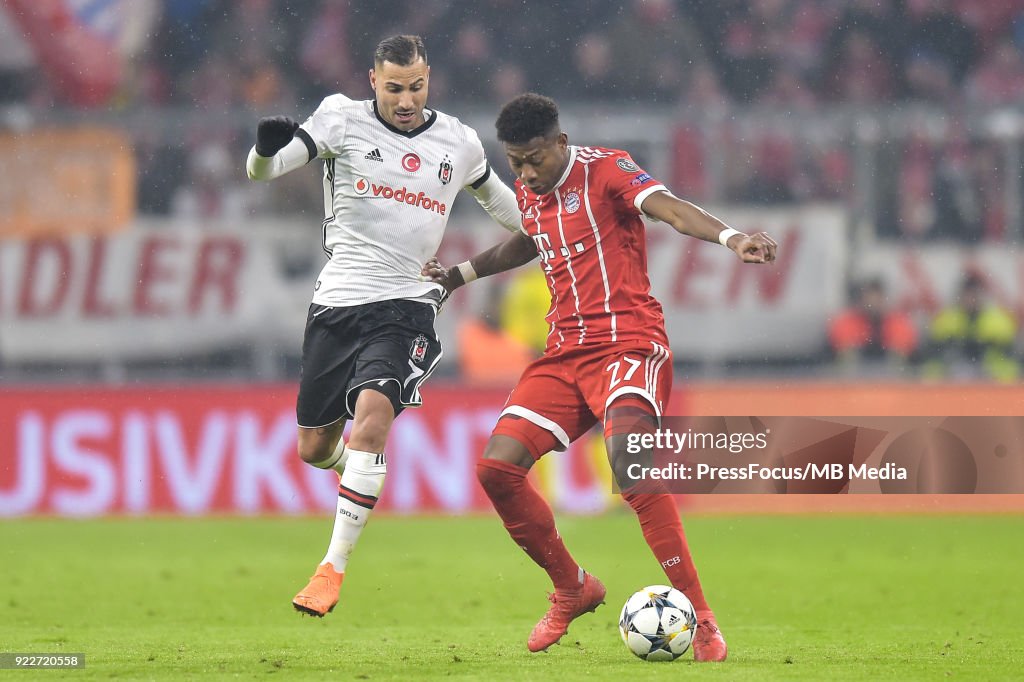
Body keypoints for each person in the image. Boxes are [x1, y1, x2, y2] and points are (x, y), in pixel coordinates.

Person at [423, 93, 777, 660]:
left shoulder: (606, 170)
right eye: (515, 162)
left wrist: (733, 238)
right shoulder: (534, 195)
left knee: (632, 467)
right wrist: (458, 275)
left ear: (560, 143)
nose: (525, 172)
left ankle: (702, 617)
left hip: (629, 344)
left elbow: (672, 208)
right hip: (565, 355)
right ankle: (572, 587)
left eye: (534, 158)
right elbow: (527, 241)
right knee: (496, 469)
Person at [245, 35, 521, 618]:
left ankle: (330, 569)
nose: (405, 99)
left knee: (373, 416)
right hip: (338, 303)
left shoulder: (460, 143)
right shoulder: (340, 120)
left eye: (416, 86)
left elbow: (509, 210)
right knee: (314, 447)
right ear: (373, 80)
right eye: (394, 88)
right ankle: (360, 474)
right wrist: (265, 149)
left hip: (408, 304)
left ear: (429, 78)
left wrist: (560, 225)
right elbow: (267, 170)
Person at [923, 273, 1018, 382]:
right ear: (960, 296)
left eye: (974, 295)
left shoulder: (999, 321)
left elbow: (1011, 356)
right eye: (967, 295)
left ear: (982, 296)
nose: (971, 299)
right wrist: (954, 348)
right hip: (953, 379)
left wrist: (986, 348)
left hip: (994, 381)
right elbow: (932, 355)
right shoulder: (946, 320)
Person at [827, 277, 918, 375]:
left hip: (892, 382)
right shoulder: (848, 322)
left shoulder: (898, 323)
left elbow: (901, 356)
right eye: (869, 298)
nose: (873, 303)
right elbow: (845, 355)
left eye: (877, 298)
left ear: (883, 299)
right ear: (861, 299)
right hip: (853, 382)